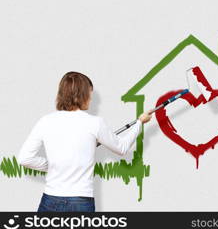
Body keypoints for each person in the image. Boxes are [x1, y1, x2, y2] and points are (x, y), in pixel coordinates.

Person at [17, 71, 152, 212]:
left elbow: (24, 158)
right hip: (80, 202)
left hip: (51, 200)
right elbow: (122, 148)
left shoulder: (45, 121)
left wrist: (52, 167)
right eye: (90, 94)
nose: (91, 99)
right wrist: (139, 122)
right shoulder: (95, 123)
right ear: (82, 95)